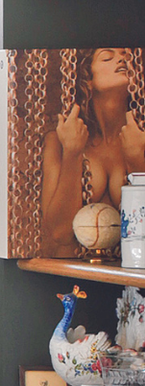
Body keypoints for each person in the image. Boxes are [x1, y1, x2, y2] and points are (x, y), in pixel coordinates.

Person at [42, 47, 145, 256]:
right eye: (107, 57)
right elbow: (60, 233)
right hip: (71, 275)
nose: (122, 59)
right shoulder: (60, 139)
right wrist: (72, 152)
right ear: (86, 80)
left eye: (126, 55)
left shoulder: (141, 137)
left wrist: (136, 162)